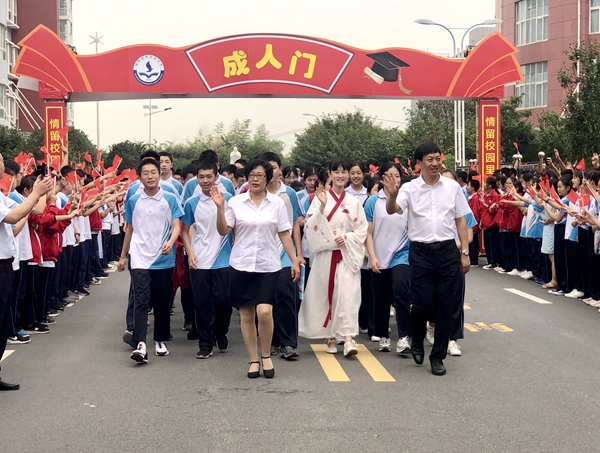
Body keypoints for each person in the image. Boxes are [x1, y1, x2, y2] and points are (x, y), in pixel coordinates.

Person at [382, 142, 471, 376]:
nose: (434, 163)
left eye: (437, 158)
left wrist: (465, 254)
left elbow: (461, 220)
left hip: (447, 251)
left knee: (445, 306)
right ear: (419, 163)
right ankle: (418, 339)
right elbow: (393, 210)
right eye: (429, 159)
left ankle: (438, 356)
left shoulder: (452, 187)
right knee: (421, 303)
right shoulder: (410, 189)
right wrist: (391, 196)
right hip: (420, 252)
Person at [212, 159, 300, 379]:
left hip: (267, 264)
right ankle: (253, 359)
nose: (255, 179)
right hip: (241, 263)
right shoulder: (236, 202)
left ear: (268, 178)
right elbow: (224, 230)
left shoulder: (276, 204)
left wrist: (295, 259)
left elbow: (283, 233)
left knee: (265, 311)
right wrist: (220, 208)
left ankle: (267, 354)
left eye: (260, 175)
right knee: (247, 315)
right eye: (252, 174)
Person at [299, 160, 368, 357]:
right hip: (326, 255)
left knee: (348, 294)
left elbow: (362, 228)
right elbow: (310, 226)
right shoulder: (319, 198)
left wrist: (346, 237)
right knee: (328, 295)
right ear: (329, 174)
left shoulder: (354, 202)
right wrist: (321, 207)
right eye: (336, 171)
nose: (340, 175)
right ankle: (330, 336)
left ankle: (347, 338)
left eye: (343, 171)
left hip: (346, 254)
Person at [117, 157, 183, 363]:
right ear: (140, 177)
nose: (150, 176)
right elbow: (129, 229)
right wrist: (122, 256)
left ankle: (160, 340)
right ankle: (140, 344)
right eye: (145, 173)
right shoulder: (134, 199)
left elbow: (177, 226)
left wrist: (170, 242)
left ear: (159, 174)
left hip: (163, 257)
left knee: (162, 300)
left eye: (153, 172)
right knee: (141, 299)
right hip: (139, 257)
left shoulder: (169, 198)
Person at [0, 152, 53, 390]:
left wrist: (38, 193)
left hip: (5, 263)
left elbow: (33, 210)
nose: (3, 166)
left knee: (2, 321)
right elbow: (16, 215)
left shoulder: (3, 196)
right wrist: (33, 195)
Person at [181, 160, 233, 359]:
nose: (204, 181)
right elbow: (185, 230)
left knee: (223, 302)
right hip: (199, 259)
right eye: (200, 177)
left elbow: (233, 226)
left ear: (216, 176)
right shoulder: (192, 202)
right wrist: (190, 252)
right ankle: (205, 343)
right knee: (201, 303)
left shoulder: (228, 198)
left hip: (223, 258)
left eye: (208, 177)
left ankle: (220, 330)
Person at [257, 152, 304, 360]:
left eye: (274, 167)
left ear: (280, 170)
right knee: (266, 298)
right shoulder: (252, 192)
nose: (270, 171)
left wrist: (298, 254)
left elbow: (294, 223)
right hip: (261, 254)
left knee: (286, 295)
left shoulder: (289, 194)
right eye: (265, 167)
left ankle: (288, 343)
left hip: (285, 252)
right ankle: (272, 341)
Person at [365, 163, 411, 355]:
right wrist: (372, 256)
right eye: (389, 176)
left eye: (397, 176)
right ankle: (382, 335)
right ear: (382, 179)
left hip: (402, 253)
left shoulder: (406, 199)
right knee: (381, 297)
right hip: (380, 255)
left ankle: (404, 337)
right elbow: (367, 232)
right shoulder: (372, 202)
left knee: (401, 292)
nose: (394, 180)